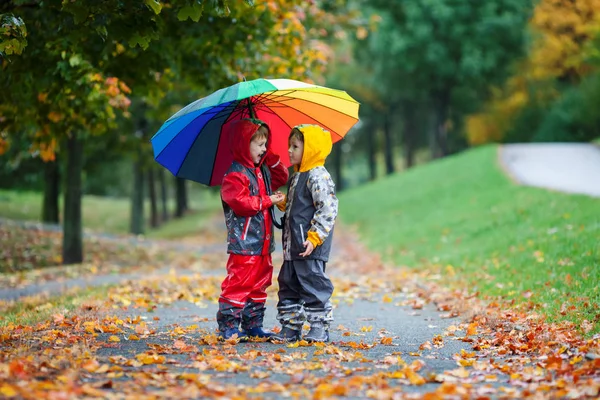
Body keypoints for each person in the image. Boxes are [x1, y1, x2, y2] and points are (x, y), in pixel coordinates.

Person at [217, 118, 288, 340]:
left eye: (265, 143)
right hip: (244, 243)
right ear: (243, 144)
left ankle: (253, 324)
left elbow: (282, 176)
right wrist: (268, 200)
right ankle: (228, 326)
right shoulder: (235, 175)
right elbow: (242, 204)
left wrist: (270, 154)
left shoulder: (262, 170)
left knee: (260, 283)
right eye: (259, 144)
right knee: (239, 282)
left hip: (263, 242)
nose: (263, 148)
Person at [272, 124, 339, 343]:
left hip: (310, 246)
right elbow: (299, 207)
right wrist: (284, 204)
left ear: (310, 149)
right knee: (288, 286)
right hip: (293, 247)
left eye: (295, 146)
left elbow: (327, 208)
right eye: (289, 146)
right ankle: (291, 327)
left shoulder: (317, 175)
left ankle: (319, 327)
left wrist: (314, 237)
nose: (289, 151)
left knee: (313, 285)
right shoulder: (297, 175)